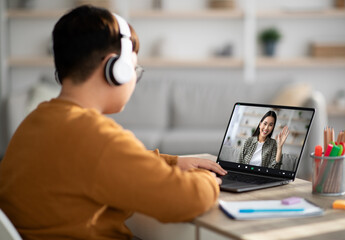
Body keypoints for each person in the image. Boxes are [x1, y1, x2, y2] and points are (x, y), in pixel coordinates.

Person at [0, 5, 227, 240]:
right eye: (135, 70)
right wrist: (207, 179)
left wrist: (172, 162)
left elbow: (100, 162)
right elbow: (185, 200)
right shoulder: (96, 136)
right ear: (115, 69)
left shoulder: (35, 122)